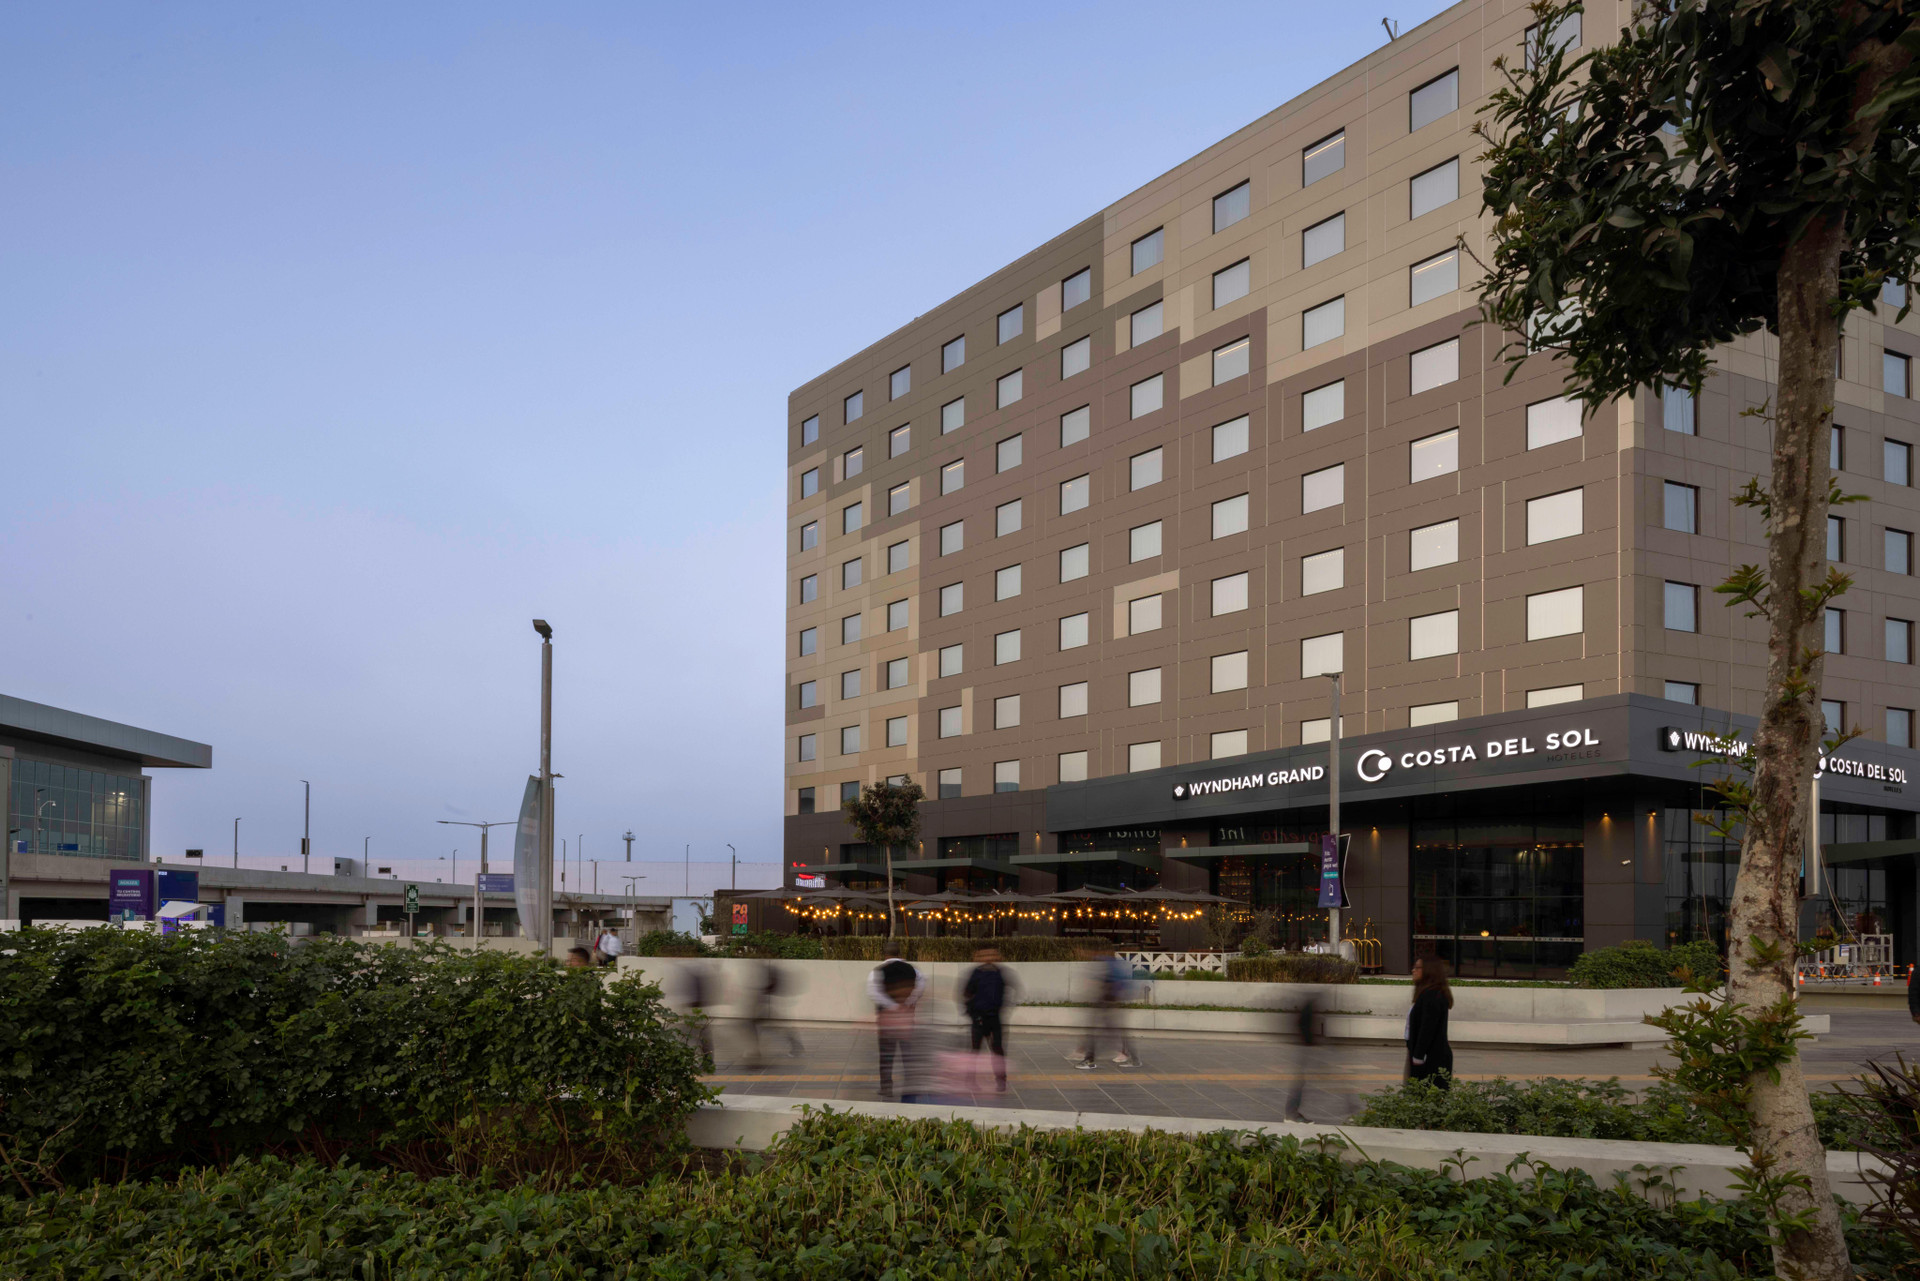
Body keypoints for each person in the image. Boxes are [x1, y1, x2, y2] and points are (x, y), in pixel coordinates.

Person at [959, 945, 1019, 1092]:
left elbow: (1011, 990)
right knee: (975, 1051)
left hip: (995, 1018)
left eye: (991, 955)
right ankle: (970, 1080)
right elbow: (966, 993)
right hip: (979, 1019)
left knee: (998, 1050)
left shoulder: (1001, 973)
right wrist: (972, 1012)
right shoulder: (975, 973)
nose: (988, 958)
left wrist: (1003, 1006)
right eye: (985, 955)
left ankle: (1001, 1080)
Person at [867, 954, 925, 1100]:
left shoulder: (878, 971)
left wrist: (892, 1006)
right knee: (908, 1055)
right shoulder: (914, 970)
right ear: (900, 954)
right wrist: (907, 1003)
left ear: (886, 955)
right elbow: (920, 988)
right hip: (907, 1020)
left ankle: (886, 1087)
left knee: (886, 1056)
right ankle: (910, 1088)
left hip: (887, 1022)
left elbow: (873, 993)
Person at [1076, 948, 1139, 1070]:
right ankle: (1134, 1059)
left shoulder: (1103, 962)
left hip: (1106, 1001)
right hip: (1110, 1001)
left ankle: (1089, 1060)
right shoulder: (1113, 963)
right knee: (1114, 1030)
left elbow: (1103, 983)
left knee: (1095, 1030)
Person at [1405, 955, 1454, 1088]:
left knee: (1425, 1095)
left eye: (1418, 968)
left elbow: (1427, 1029)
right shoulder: (1427, 994)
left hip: (1430, 1060)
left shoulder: (1432, 996)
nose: (1413, 971)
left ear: (1429, 970)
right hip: (1423, 1057)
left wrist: (1418, 1057)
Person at [746, 960, 804, 1065]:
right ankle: (796, 1045)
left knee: (755, 1025)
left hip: (767, 1004)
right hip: (769, 1004)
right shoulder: (769, 968)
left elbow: (767, 987)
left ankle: (756, 1051)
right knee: (769, 1027)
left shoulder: (768, 969)